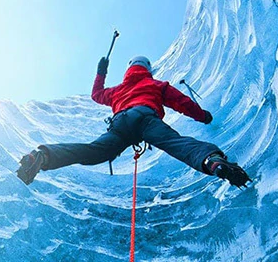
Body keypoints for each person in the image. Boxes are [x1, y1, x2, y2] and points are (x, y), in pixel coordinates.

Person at [17, 56, 250, 188]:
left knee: (95, 151)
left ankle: (44, 156)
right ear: (148, 70)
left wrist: (101, 71)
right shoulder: (157, 85)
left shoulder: (119, 89)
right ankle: (212, 162)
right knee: (175, 143)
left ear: (128, 70)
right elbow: (183, 103)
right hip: (145, 117)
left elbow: (97, 94)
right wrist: (203, 116)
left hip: (120, 123)